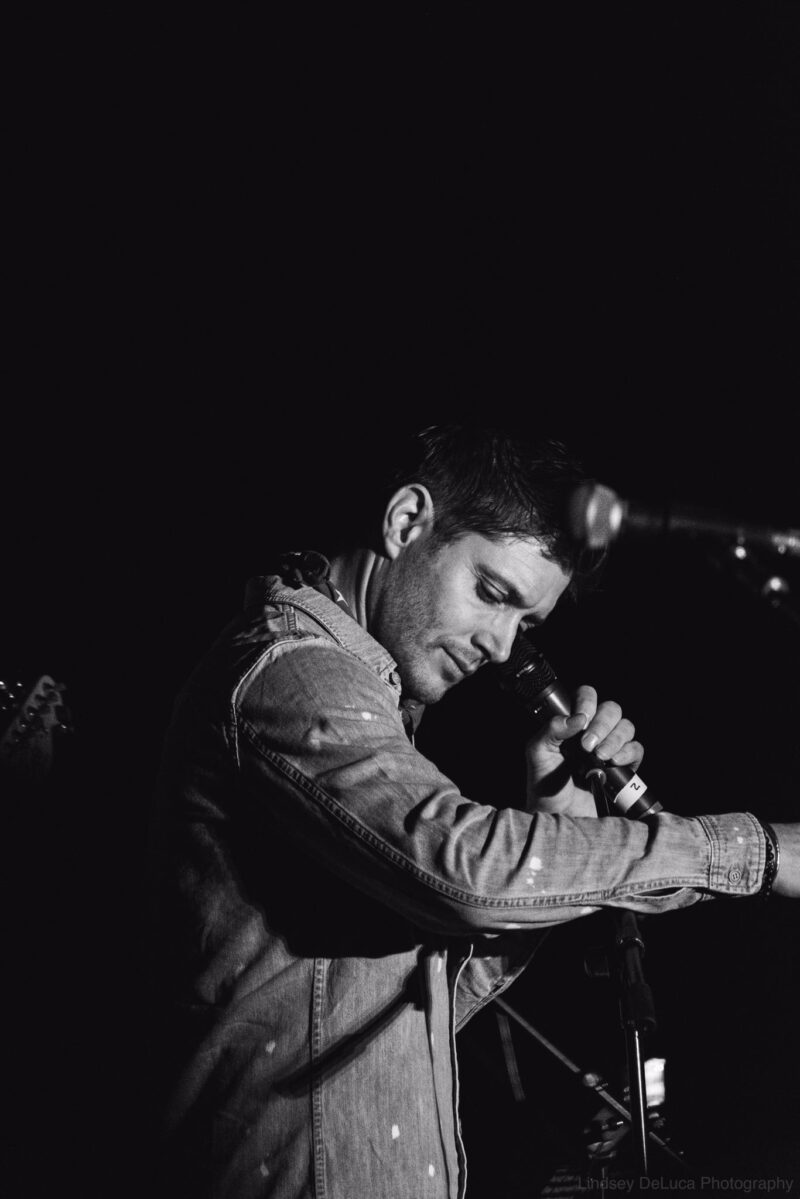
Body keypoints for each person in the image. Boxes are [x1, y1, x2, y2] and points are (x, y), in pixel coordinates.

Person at [146, 425, 798, 1199]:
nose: (500, 644)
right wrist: (753, 850)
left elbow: (416, 1003)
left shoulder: (369, 703)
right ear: (405, 521)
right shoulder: (294, 670)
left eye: (525, 624)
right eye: (493, 593)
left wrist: (556, 813)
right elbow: (463, 869)